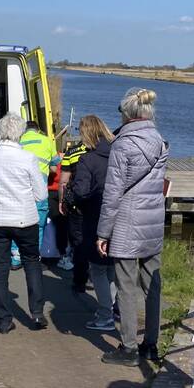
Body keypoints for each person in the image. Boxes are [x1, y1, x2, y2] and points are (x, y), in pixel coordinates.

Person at [96, 87, 169, 366]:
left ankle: (128, 348)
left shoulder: (122, 145)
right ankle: (150, 344)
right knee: (153, 286)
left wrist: (103, 233)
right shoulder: (160, 141)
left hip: (127, 223)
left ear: (126, 113)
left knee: (126, 287)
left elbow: (112, 193)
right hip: (152, 222)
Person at [0, 113, 49, 333]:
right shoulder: (28, 158)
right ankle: (36, 314)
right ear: (20, 133)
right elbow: (40, 194)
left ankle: (3, 320)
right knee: (31, 262)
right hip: (24, 218)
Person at [68, 115, 118, 331]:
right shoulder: (118, 154)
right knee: (114, 268)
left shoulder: (88, 160)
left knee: (97, 269)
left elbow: (80, 191)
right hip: (120, 218)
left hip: (96, 217)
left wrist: (72, 197)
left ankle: (105, 314)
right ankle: (115, 308)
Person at [12, 119, 59, 268]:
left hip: (19, 191)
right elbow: (54, 167)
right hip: (39, 192)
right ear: (38, 130)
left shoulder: (17, 141)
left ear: (24, 131)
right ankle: (32, 258)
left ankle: (16, 258)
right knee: (38, 226)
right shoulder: (46, 141)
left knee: (16, 223)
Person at [58, 138, 90, 288]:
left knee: (77, 239)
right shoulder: (105, 151)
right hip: (97, 201)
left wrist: (61, 201)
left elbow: (63, 182)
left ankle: (80, 278)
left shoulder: (71, 152)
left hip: (77, 202)